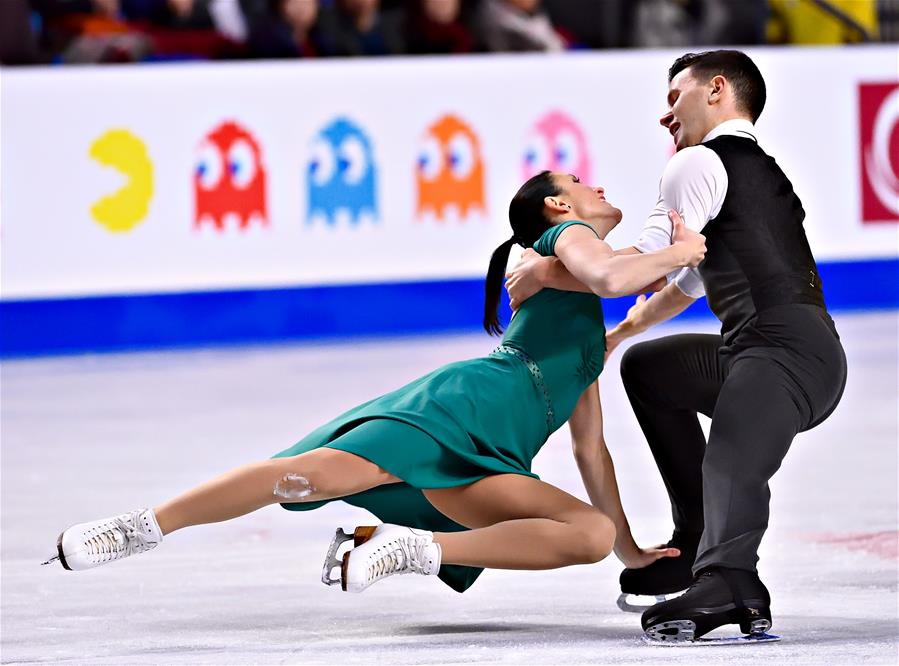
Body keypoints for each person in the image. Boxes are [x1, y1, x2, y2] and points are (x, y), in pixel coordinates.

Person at [46, 171, 707, 596]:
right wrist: (682, 252)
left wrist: (630, 550)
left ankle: (412, 550)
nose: (597, 186)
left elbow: (591, 451)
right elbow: (615, 274)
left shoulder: (579, 316)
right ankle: (141, 528)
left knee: (586, 536)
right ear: (558, 206)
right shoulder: (559, 240)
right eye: (581, 183)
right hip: (460, 407)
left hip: (496, 454)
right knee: (312, 475)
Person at [505, 50, 847, 642]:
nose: (666, 116)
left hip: (780, 354)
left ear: (716, 90)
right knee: (651, 368)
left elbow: (627, 269)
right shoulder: (753, 169)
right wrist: (619, 336)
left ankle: (731, 579)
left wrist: (542, 270)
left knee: (732, 456)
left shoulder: (694, 162)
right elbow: (685, 281)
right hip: (790, 354)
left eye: (674, 97)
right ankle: (694, 543)